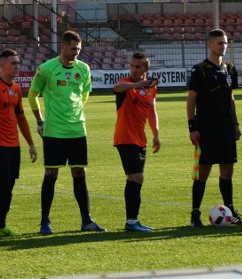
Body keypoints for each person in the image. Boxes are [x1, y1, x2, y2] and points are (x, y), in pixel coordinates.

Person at [29, 30, 104, 234]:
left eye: (78, 49)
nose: (76, 53)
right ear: (62, 47)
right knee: (51, 173)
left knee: (79, 172)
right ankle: (45, 222)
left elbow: (85, 94)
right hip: (54, 130)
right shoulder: (46, 69)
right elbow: (32, 95)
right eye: (73, 49)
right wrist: (39, 120)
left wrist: (74, 112)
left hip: (77, 128)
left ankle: (86, 220)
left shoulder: (84, 68)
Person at [187, 30, 242, 227]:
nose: (223, 46)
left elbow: (231, 98)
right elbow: (191, 100)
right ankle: (195, 214)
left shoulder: (230, 69)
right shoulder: (200, 70)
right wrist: (192, 127)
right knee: (203, 170)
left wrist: (236, 124)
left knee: (227, 169)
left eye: (225, 43)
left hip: (226, 125)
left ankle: (230, 211)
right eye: (219, 43)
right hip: (206, 125)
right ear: (210, 45)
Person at [0, 49, 38, 238]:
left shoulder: (17, 88)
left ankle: (2, 223)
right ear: (2, 66)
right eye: (13, 63)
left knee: (10, 184)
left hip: (13, 145)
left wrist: (31, 143)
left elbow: (21, 118)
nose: (17, 66)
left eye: (18, 63)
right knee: (2, 184)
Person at [112, 52, 160, 232]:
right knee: (137, 177)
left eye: (138, 67)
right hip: (125, 138)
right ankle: (131, 221)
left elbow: (152, 111)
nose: (133, 69)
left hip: (141, 140)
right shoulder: (126, 85)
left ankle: (132, 221)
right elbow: (116, 88)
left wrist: (156, 134)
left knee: (134, 180)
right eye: (132, 66)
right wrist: (135, 84)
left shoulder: (151, 88)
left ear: (146, 69)